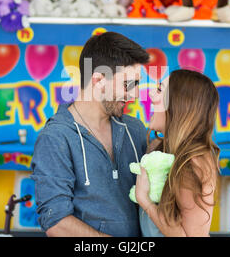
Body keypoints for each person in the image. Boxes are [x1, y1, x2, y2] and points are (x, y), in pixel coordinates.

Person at [31, 32, 150, 237]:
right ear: (98, 80)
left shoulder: (135, 129)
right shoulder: (56, 137)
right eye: (127, 85)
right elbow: (56, 222)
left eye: (136, 84)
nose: (134, 95)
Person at [134, 69, 221, 237]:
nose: (151, 94)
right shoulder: (157, 147)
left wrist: (144, 199)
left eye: (160, 90)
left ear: (179, 104)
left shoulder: (193, 162)